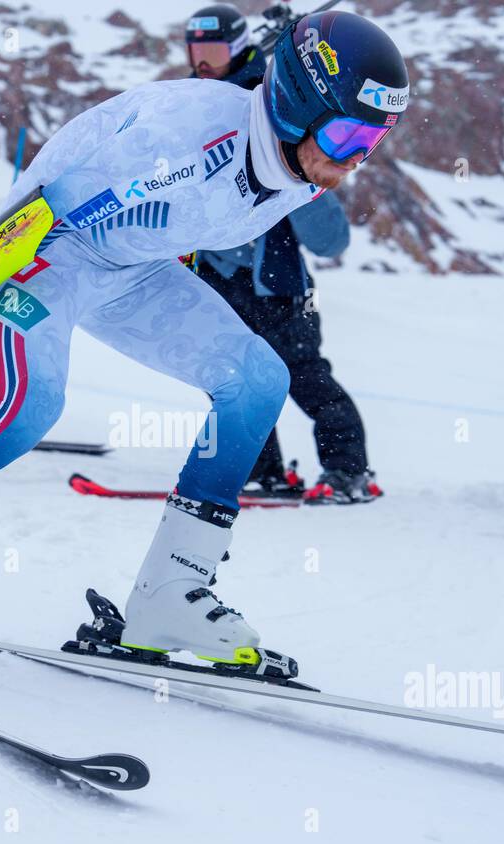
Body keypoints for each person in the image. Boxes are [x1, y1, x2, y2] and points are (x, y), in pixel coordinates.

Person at [0, 11, 409, 677]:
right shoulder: (187, 145)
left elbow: (202, 218)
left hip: (134, 268)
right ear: (294, 106)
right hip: (49, 250)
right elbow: (45, 209)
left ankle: (169, 593)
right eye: (346, 134)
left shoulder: (301, 161)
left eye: (371, 141)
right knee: (26, 408)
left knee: (258, 380)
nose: (353, 159)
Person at [185, 4, 376, 503]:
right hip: (218, 280)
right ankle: (261, 468)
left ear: (239, 47)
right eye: (196, 51)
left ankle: (348, 471)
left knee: (306, 377)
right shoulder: (197, 102)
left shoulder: (275, 98)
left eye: (214, 51)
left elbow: (329, 237)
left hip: (278, 285)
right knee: (233, 380)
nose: (203, 62)